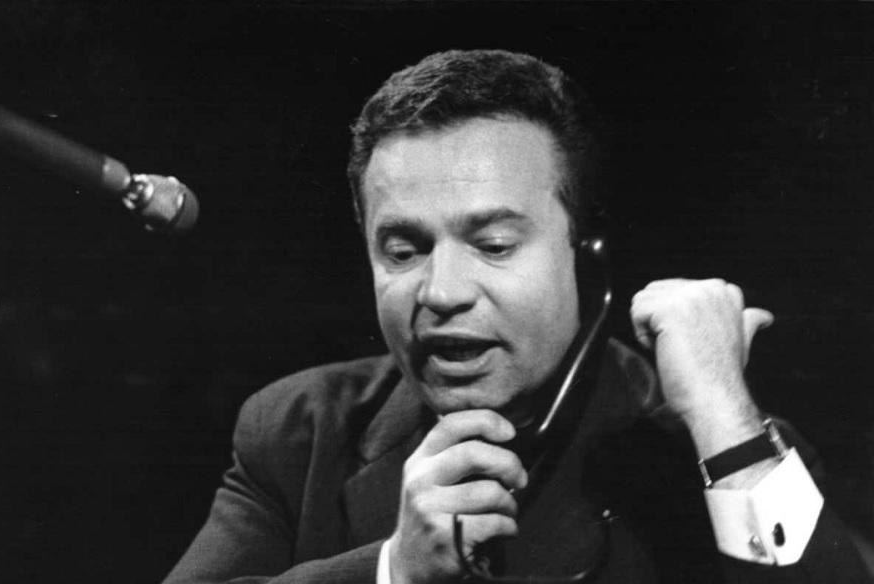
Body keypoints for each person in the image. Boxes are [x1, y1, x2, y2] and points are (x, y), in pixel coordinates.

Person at [163, 50, 871, 583]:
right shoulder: (297, 432)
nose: (441, 291)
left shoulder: (718, 449)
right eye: (404, 250)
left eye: (494, 245)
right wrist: (393, 571)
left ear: (584, 254)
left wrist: (723, 419)